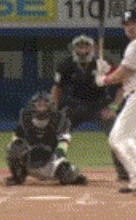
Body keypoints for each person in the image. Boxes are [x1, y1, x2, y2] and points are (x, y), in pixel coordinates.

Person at [95, 9, 136, 196]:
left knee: (120, 139)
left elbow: (123, 74)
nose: (129, 27)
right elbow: (128, 72)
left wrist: (104, 79)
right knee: (119, 140)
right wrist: (109, 69)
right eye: (126, 24)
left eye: (133, 23)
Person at [51, 34, 130, 186]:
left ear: (93, 48)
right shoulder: (65, 65)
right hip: (74, 106)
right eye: (79, 46)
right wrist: (54, 109)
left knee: (117, 135)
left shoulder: (104, 62)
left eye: (86, 46)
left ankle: (124, 173)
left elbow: (122, 86)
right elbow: (57, 88)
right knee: (58, 133)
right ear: (74, 49)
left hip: (100, 106)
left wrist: (114, 107)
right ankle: (56, 168)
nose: (83, 49)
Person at [5, 91, 88, 186]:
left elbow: (64, 139)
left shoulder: (59, 119)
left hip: (50, 160)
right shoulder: (25, 118)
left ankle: (70, 175)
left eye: (44, 104)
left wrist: (60, 152)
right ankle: (18, 176)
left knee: (67, 174)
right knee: (13, 148)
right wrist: (17, 145)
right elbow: (17, 136)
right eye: (38, 104)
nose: (41, 107)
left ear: (51, 105)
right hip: (29, 159)